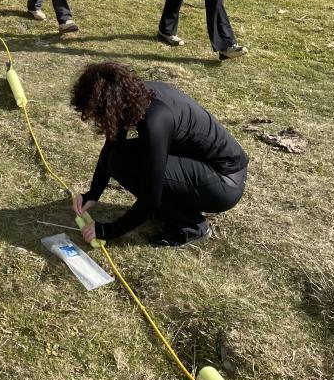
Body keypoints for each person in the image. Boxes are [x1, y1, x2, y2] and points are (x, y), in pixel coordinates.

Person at [71, 62, 248, 247]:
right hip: (205, 166)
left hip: (224, 182)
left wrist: (108, 231)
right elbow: (113, 144)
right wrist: (93, 193)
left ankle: (191, 225)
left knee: (124, 164)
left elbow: (151, 197)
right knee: (118, 158)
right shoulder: (134, 96)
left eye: (98, 114)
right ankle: (172, 211)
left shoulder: (156, 121)